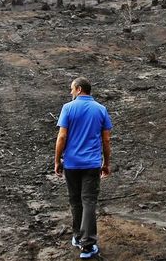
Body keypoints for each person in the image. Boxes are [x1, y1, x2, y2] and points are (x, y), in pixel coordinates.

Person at [54, 77, 112, 259]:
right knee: (88, 202)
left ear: (79, 89)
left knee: (75, 201)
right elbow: (106, 140)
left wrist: (57, 160)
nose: (70, 92)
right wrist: (106, 163)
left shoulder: (68, 108)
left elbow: (62, 137)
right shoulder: (101, 109)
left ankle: (78, 237)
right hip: (92, 164)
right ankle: (88, 246)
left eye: (71, 89)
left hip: (71, 164)